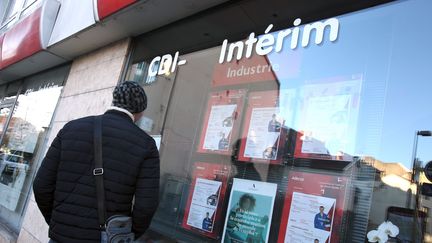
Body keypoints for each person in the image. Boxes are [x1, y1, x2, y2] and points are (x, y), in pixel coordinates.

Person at [33, 81, 160, 243]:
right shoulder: (146, 145)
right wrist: (124, 234)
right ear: (140, 112)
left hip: (60, 236)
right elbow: (146, 207)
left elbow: (41, 186)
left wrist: (58, 221)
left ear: (113, 100)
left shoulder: (70, 129)